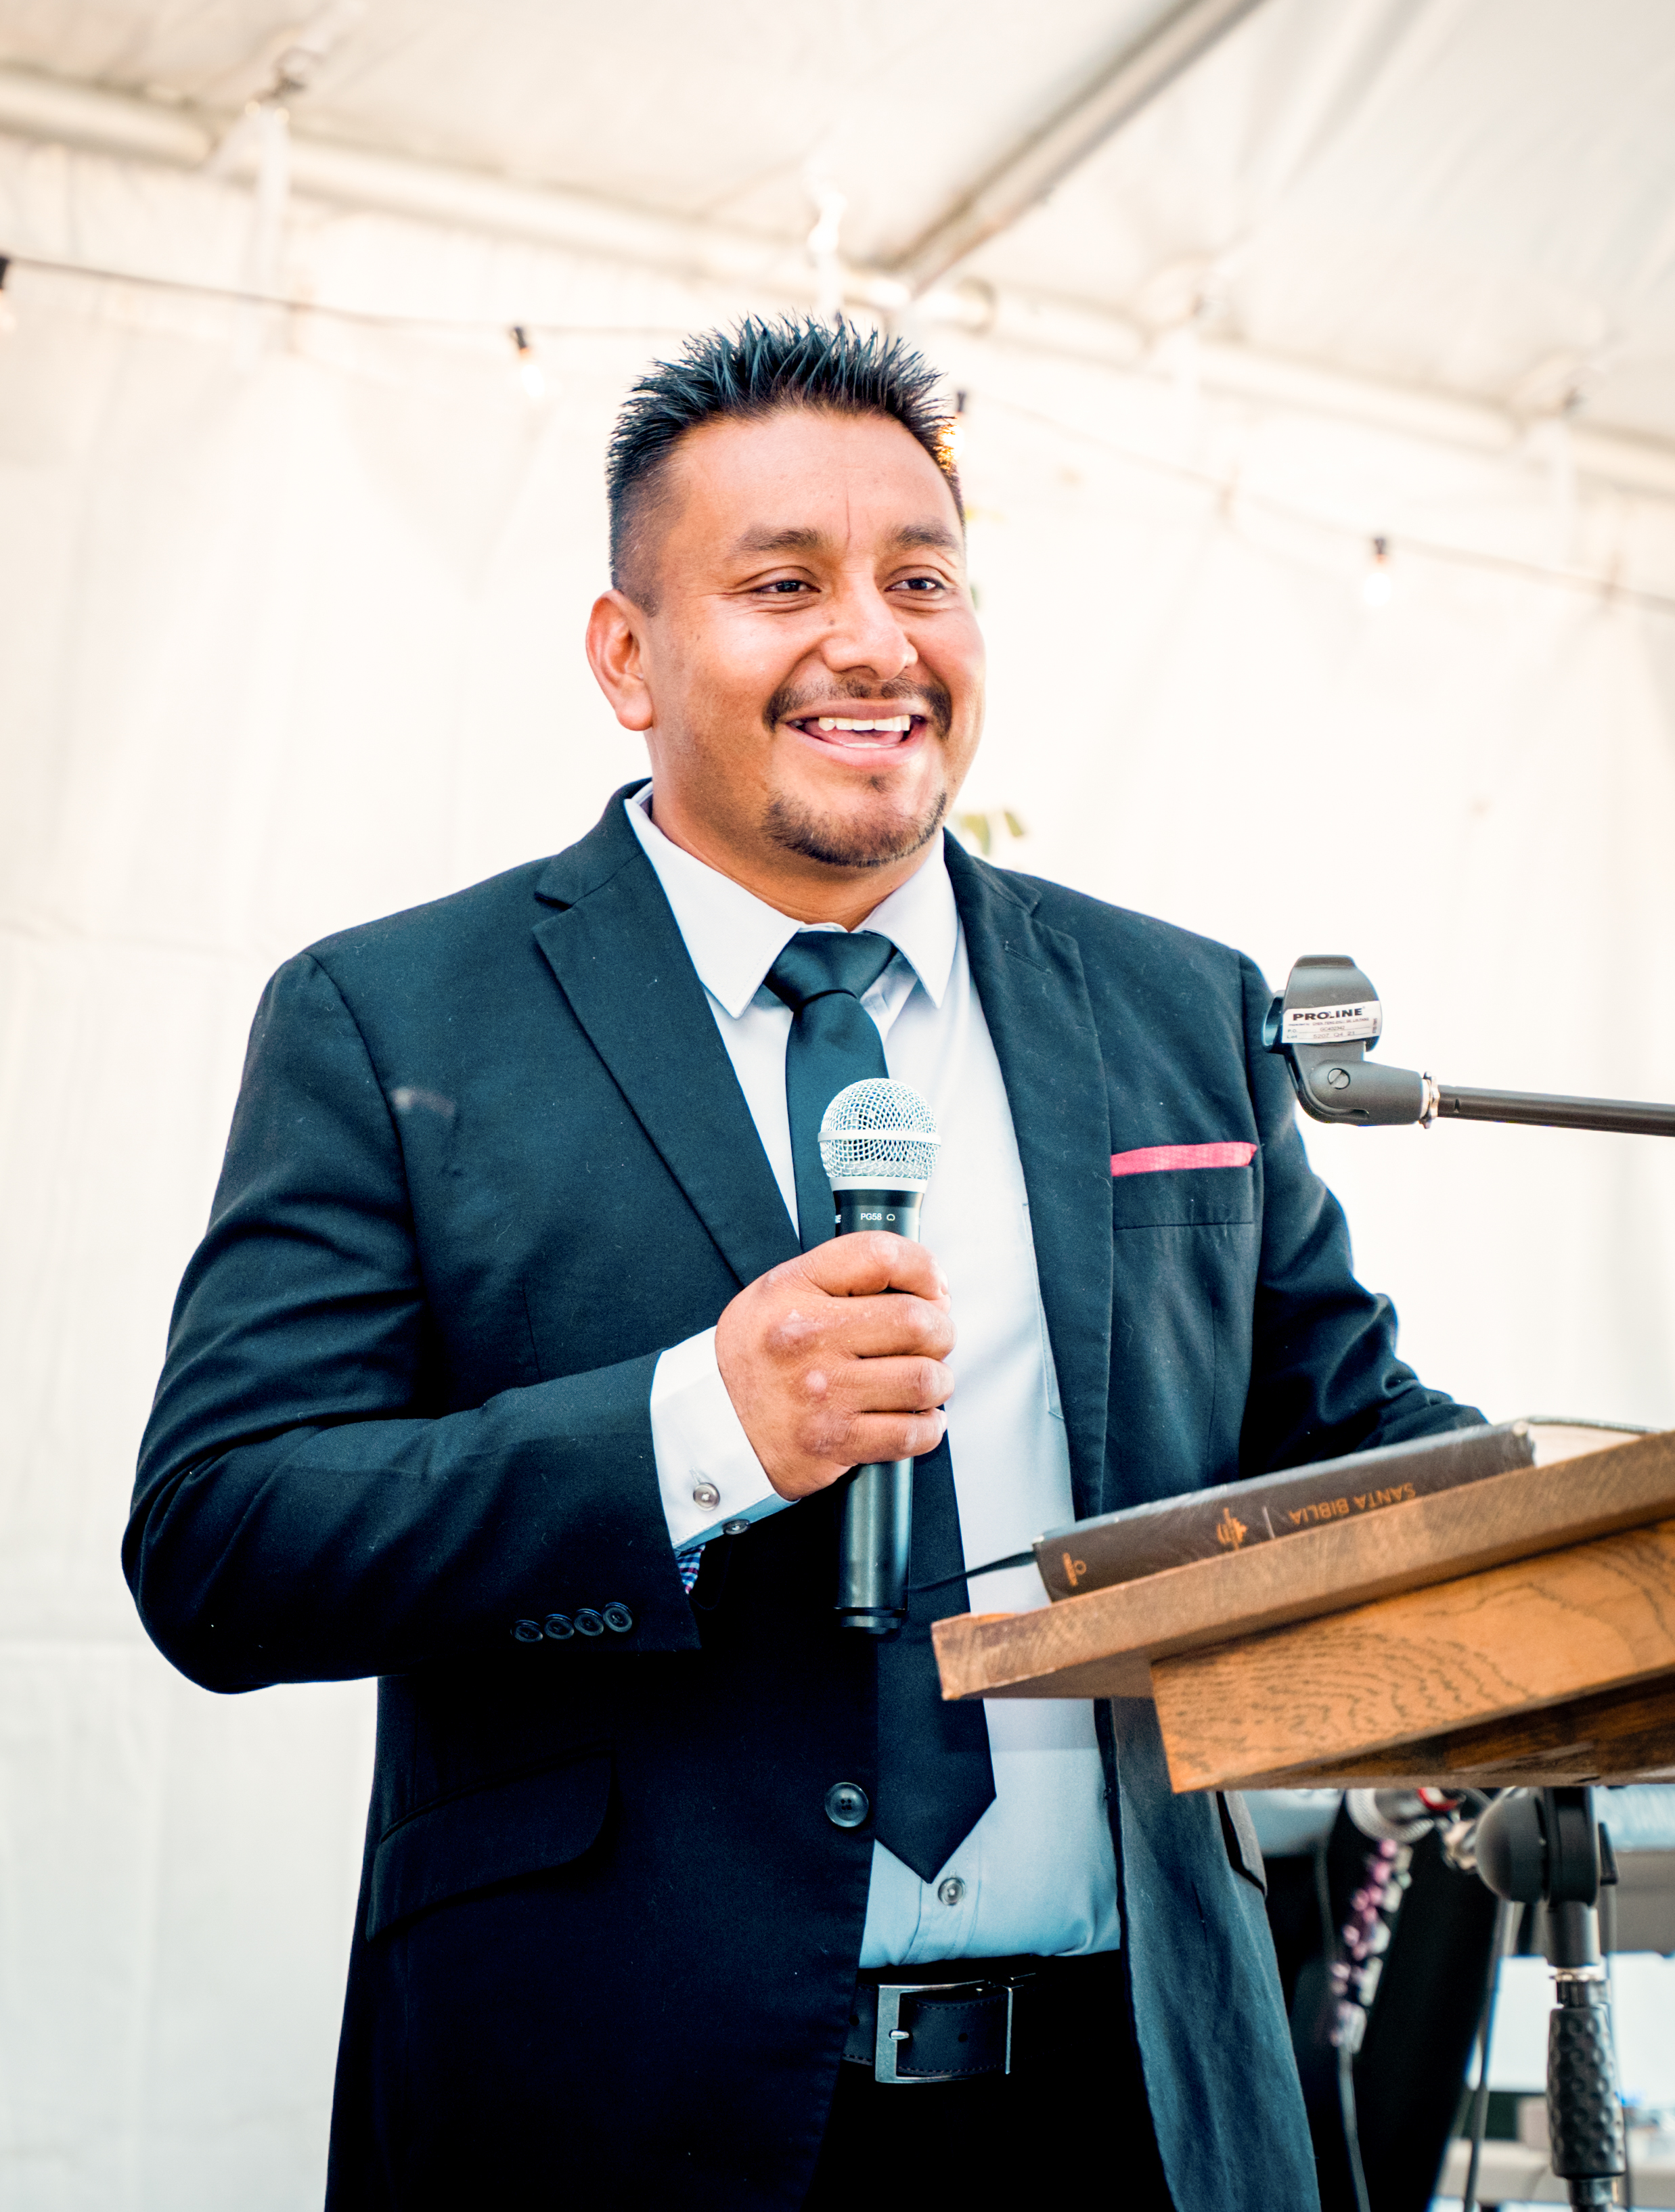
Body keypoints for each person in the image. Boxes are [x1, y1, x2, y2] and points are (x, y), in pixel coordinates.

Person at [125, 316, 1480, 2209]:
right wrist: (697, 1430)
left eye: (921, 577)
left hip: (1135, 2110)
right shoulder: (390, 1013)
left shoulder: (1179, 1009)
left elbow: (1354, 1435)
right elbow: (223, 1539)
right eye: (782, 584)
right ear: (627, 654)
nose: (872, 639)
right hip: (618, 2105)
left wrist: (1568, 1555)